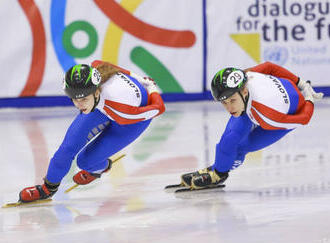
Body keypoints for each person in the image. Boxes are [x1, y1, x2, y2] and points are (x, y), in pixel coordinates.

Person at [19, 60, 165, 202]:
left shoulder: (122, 111)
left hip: (131, 120)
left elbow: (159, 108)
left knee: (85, 162)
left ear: (95, 92)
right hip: (102, 105)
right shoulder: (95, 73)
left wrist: (151, 87)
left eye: (83, 99)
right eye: (74, 99)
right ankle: (47, 189)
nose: (79, 105)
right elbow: (102, 62)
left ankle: (100, 168)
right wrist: (139, 77)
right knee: (67, 148)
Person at [180, 61, 324, 190]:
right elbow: (269, 67)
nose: (229, 108)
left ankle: (219, 173)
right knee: (229, 139)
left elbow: (303, 119)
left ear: (244, 91)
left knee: (243, 146)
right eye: (224, 102)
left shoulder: (266, 116)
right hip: (266, 97)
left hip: (288, 111)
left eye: (232, 101)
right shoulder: (245, 75)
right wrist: (300, 82)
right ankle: (218, 169)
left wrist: (308, 98)